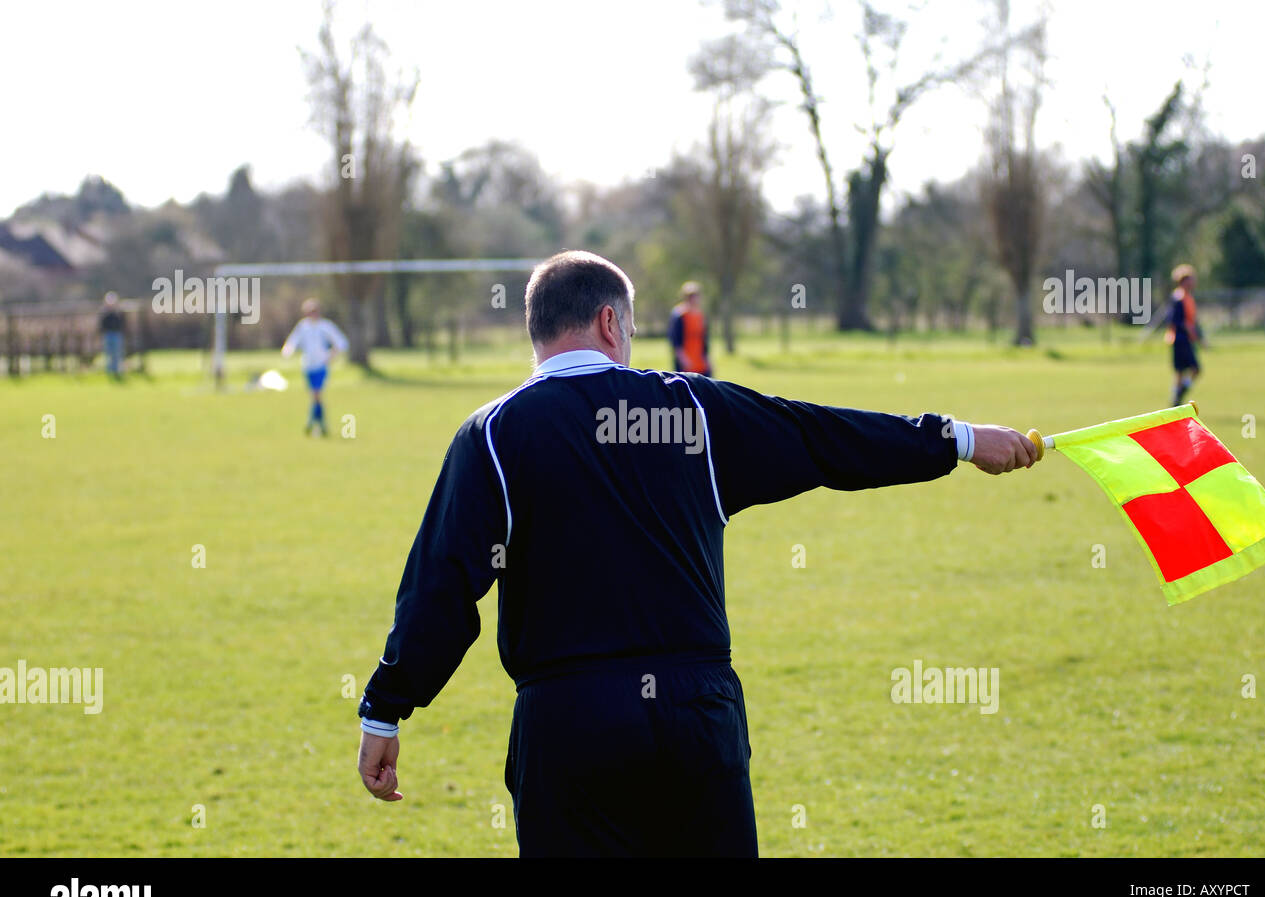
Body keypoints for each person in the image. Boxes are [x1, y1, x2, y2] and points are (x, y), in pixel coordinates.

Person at [355, 250, 1037, 857]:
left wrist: (387, 707)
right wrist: (960, 440)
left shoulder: (493, 433)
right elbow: (826, 438)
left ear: (535, 333)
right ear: (608, 323)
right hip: (696, 713)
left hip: (569, 722)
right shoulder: (693, 413)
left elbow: (440, 589)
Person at [281, 299, 348, 436]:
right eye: (309, 312)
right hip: (308, 366)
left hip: (321, 366)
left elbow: (341, 343)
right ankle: (318, 424)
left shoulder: (325, 326)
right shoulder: (303, 327)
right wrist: (288, 351)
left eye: (314, 311)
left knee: (316, 394)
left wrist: (331, 356)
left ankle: (313, 423)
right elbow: (293, 341)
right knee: (315, 396)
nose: (312, 314)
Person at [1162, 264, 1203, 407]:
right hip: (1180, 339)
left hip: (1187, 339)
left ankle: (1177, 397)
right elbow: (1175, 321)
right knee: (1190, 369)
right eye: (1190, 279)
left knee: (1186, 371)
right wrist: (1190, 331)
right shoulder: (1178, 298)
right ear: (1183, 281)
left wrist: (1198, 335)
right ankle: (1177, 398)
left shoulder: (1188, 298)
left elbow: (1193, 320)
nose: (1193, 282)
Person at [668, 280, 711, 376]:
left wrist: (708, 360)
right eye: (691, 296)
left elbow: (705, 341)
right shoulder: (679, 315)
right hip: (686, 364)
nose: (694, 299)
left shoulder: (700, 316)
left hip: (700, 363)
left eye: (696, 296)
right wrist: (683, 360)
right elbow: (675, 341)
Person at [98, 292, 126, 379]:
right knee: (108, 354)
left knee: (117, 353)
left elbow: (122, 323)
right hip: (107, 335)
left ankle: (117, 370)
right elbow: (102, 325)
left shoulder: (118, 312)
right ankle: (109, 371)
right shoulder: (104, 313)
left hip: (117, 334)